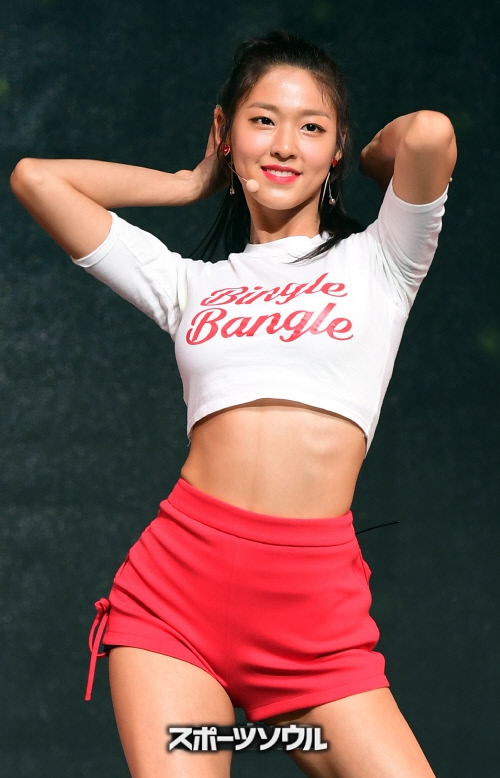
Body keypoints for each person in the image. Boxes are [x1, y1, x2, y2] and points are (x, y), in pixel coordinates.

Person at [11, 30, 456, 778]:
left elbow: (429, 135)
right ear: (226, 131)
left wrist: (369, 162)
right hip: (173, 608)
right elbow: (36, 179)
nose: (284, 145)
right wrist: (190, 181)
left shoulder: (383, 259)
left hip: (315, 633)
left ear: (337, 147)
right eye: (262, 121)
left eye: (311, 127)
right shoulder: (191, 284)